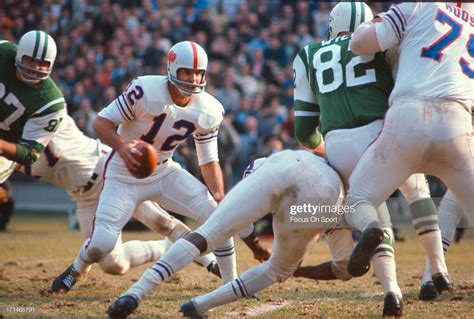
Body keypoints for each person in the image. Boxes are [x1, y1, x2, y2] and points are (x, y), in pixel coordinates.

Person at [51, 41, 268, 293]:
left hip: (164, 171)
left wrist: (218, 193)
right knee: (102, 244)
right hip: (124, 171)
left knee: (217, 216)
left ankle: (230, 284)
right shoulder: (146, 90)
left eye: (198, 73)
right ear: (173, 69)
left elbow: (208, 160)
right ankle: (77, 268)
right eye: (187, 71)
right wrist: (123, 147)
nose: (193, 78)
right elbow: (101, 123)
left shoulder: (208, 109)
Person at [293, 1, 444, 311]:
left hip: (337, 146)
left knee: (373, 215)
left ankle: (392, 291)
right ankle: (437, 270)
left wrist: (325, 149)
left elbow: (303, 129)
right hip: (382, 133)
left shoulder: (308, 54)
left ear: (332, 24)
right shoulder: (383, 44)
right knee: (416, 188)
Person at [107, 150, 347, 318]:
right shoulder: (335, 181)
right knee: (278, 270)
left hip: (277, 164)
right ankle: (200, 304)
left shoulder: (263, 168)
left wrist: (257, 248)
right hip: (326, 187)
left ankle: (135, 293)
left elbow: (242, 224)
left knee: (206, 234)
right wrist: (281, 259)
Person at [345, 1, 472, 293]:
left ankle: (372, 228)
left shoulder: (417, 6)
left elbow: (360, 43)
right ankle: (435, 272)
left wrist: (375, 21)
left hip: (409, 114)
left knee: (357, 200)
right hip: (458, 122)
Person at [15, 114, 220, 277]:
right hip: (83, 197)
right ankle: (165, 248)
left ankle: (210, 262)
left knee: (162, 222)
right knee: (114, 265)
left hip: (108, 172)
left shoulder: (44, 115)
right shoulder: (8, 156)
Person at [0, 30, 66, 183]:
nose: (35, 68)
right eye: (30, 60)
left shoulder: (50, 103)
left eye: (43, 64)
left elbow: (30, 153)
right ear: (19, 54)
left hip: (5, 148)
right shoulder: (3, 53)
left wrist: (2, 146)